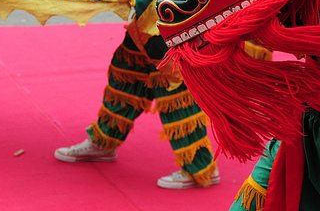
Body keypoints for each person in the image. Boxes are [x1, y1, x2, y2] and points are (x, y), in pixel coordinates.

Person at [54, 31, 219, 189]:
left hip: (168, 16)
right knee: (128, 70)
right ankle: (105, 140)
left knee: (172, 86)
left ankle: (199, 166)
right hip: (145, 16)